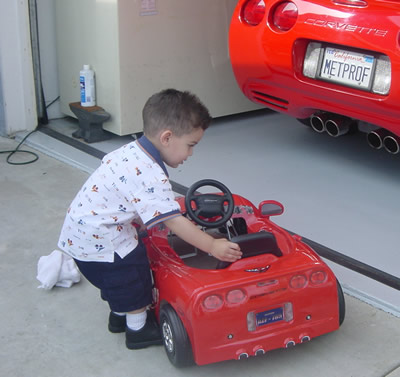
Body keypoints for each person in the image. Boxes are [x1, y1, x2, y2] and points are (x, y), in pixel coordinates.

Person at [57, 89, 242, 350]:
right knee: (135, 277)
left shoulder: (131, 152)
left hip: (81, 238)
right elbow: (173, 221)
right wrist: (213, 246)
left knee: (118, 281)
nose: (190, 154)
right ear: (167, 137)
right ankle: (138, 330)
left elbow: (127, 197)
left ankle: (118, 318)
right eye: (191, 145)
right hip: (103, 243)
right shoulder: (150, 175)